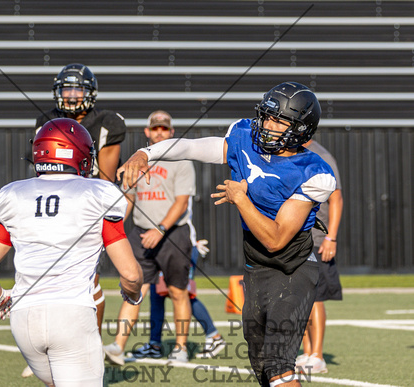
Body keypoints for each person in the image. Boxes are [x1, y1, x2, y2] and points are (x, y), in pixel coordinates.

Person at [118, 82, 336, 386]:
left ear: (301, 130)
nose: (269, 126)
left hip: (293, 268)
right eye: (268, 116)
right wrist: (145, 153)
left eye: (280, 121)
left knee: (278, 368)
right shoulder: (244, 135)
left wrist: (242, 199)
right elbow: (191, 148)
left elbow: (276, 239)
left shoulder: (314, 172)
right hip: (256, 266)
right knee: (263, 368)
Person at [0, 118, 142, 387]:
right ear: (80, 154)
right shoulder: (98, 192)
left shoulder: (15, 194)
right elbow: (131, 275)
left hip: (24, 319)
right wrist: (133, 296)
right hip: (71, 314)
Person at [35, 63, 126, 343]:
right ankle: (50, 343)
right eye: (66, 88)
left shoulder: (108, 123)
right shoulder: (46, 120)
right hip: (54, 203)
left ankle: (92, 344)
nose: (71, 95)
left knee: (87, 278)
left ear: (89, 92)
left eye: (77, 88)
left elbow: (105, 180)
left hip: (87, 205)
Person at [104, 110, 195, 365]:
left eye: (164, 129)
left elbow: (181, 203)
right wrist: (115, 227)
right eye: (155, 128)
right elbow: (129, 198)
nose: (159, 133)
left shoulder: (181, 159)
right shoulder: (138, 160)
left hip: (173, 234)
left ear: (171, 132)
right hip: (141, 234)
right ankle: (118, 347)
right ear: (147, 132)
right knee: (133, 289)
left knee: (178, 292)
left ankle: (180, 348)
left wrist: (160, 229)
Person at [128, 216, 226, 360]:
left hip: (177, 243)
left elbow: (180, 207)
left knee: (181, 293)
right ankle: (154, 344)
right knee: (157, 293)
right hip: (160, 244)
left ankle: (214, 335)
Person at [295, 139, 343, 374]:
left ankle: (318, 354)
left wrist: (330, 237)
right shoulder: (288, 152)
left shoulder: (321, 156)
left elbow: (336, 199)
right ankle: (306, 351)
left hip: (315, 237)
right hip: (292, 238)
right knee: (298, 298)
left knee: (315, 297)